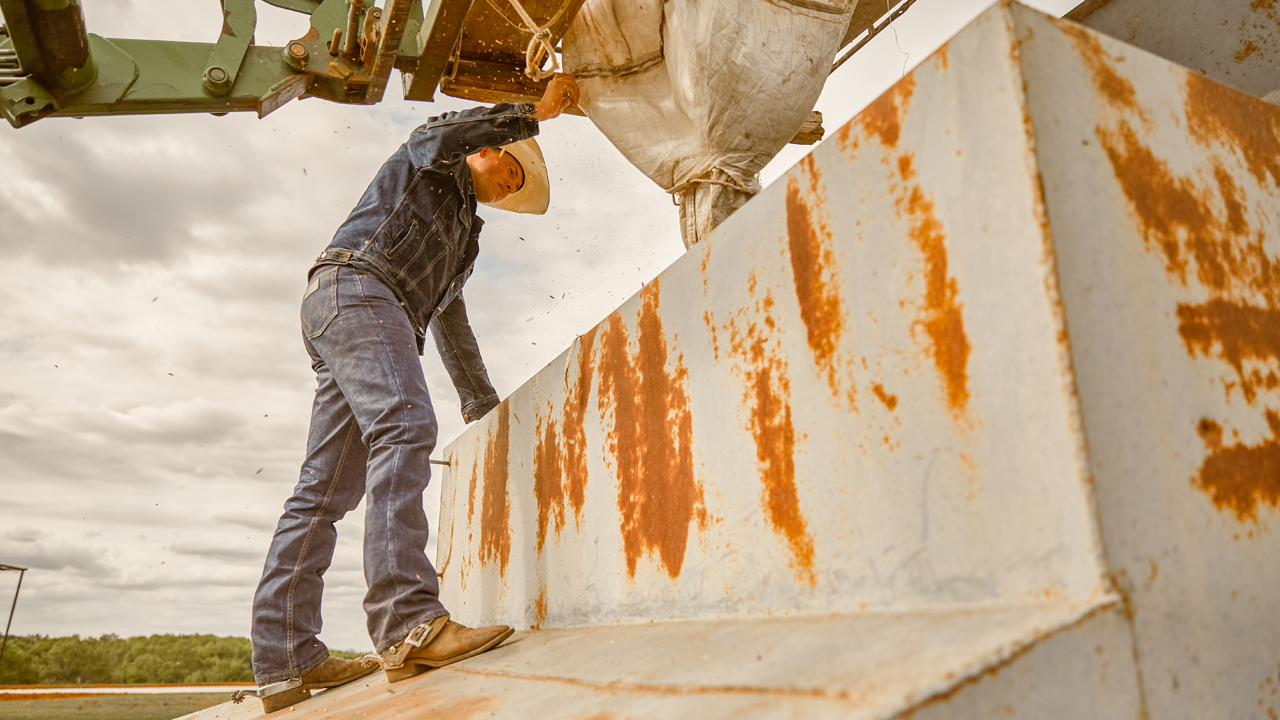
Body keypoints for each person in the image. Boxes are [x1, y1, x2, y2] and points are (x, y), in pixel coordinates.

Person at [238, 74, 582, 714]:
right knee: (403, 425)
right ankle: (407, 624)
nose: (512, 187)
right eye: (513, 172)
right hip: (359, 290)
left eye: (518, 188)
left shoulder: (461, 239)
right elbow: (440, 129)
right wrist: (533, 112)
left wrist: (483, 407)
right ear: (490, 149)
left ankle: (286, 661)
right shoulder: (437, 157)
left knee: (325, 488)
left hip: (348, 307)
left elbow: (452, 325)